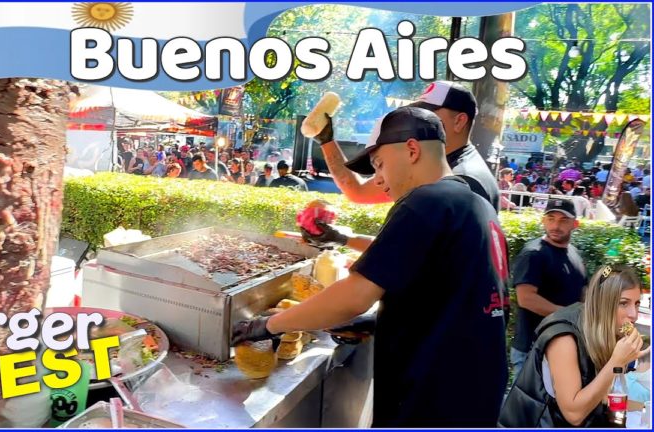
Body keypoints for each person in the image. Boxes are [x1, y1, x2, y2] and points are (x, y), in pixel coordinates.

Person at [232, 107, 509, 427]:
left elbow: (354, 295)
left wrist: (268, 326)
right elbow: (451, 295)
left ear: (412, 150)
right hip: (473, 396)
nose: (378, 178)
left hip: (431, 400)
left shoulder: (426, 201)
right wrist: (378, 322)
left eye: (379, 164)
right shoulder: (474, 203)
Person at [313, 80, 500, 212]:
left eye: (428, 114)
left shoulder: (463, 182)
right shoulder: (432, 167)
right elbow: (358, 192)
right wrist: (326, 141)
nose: (417, 119)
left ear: (459, 121)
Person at [499, 265, 650, 427]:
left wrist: (642, 407)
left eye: (636, 304)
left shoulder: (607, 332)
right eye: (624, 304)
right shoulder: (564, 337)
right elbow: (573, 414)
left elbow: (604, 397)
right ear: (603, 303)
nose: (633, 315)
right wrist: (616, 363)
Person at [509, 198, 587, 381]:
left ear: (575, 224)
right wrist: (569, 315)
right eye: (551, 218)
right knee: (527, 408)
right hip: (533, 348)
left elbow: (582, 292)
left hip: (562, 347)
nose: (555, 225)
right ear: (543, 220)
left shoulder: (574, 254)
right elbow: (526, 298)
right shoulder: (534, 253)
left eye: (563, 220)